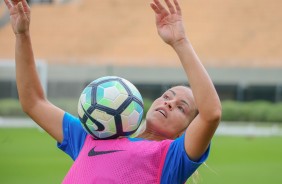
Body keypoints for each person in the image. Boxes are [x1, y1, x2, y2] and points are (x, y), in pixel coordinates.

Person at [4, 0, 222, 183]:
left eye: (181, 108)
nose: (169, 103)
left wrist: (180, 42)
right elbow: (33, 102)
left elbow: (211, 114)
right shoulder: (93, 136)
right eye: (167, 96)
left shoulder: (170, 160)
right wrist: (22, 35)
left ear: (186, 132)